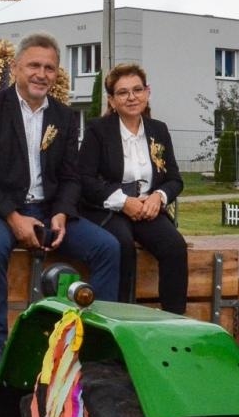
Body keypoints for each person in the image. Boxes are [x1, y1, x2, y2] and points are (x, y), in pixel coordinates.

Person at [0, 33, 120, 380]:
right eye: (34, 65)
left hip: (48, 211)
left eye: (49, 68)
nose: (41, 74)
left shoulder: (63, 116)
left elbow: (70, 176)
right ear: (16, 67)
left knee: (107, 247)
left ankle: (96, 345)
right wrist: (13, 217)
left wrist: (62, 213)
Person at [78, 63, 188, 312]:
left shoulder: (158, 130)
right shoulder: (98, 130)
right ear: (112, 100)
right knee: (122, 246)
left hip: (147, 209)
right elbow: (85, 179)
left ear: (147, 92)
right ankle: (122, 319)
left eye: (137, 90)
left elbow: (174, 179)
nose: (131, 97)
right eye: (123, 92)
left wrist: (158, 197)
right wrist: (123, 202)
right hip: (110, 208)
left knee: (175, 247)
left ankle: (175, 321)